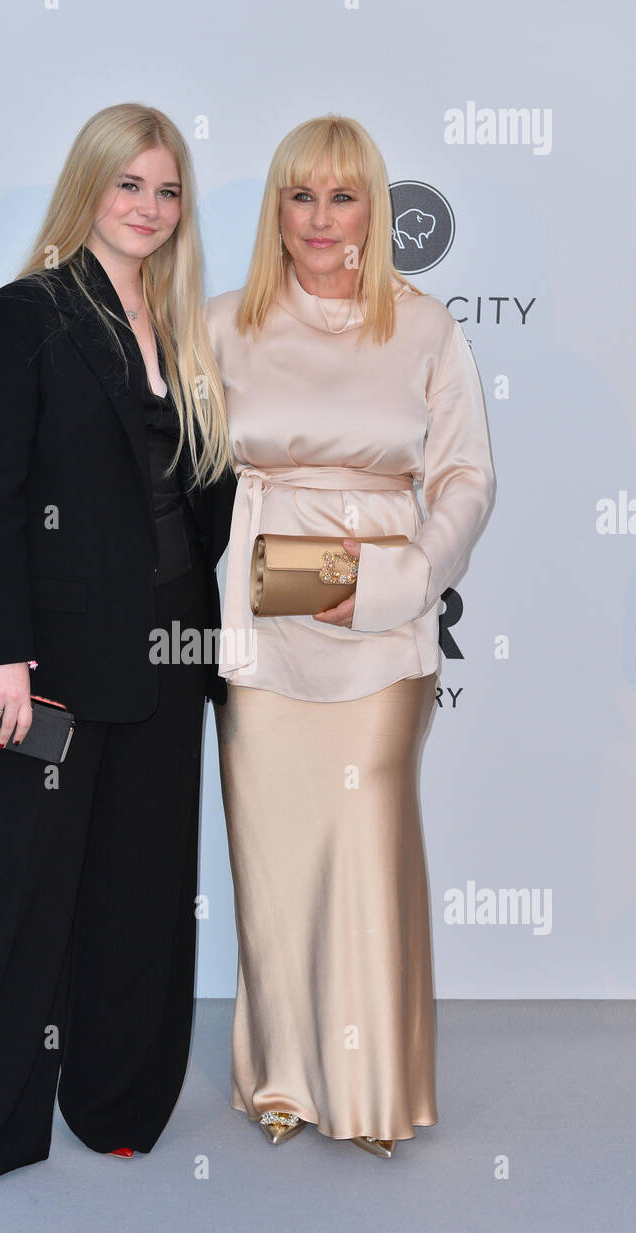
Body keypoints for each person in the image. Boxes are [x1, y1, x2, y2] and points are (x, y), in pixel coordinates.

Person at [0, 103, 235, 1197]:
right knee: (13, 885)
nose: (148, 207)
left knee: (142, 886)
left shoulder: (181, 331)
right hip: (49, 666)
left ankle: (117, 1101)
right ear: (88, 189)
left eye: (167, 190)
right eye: (129, 184)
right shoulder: (22, 316)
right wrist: (4, 657)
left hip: (171, 654)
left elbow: (197, 500)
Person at [205, 114, 495, 1156]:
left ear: (374, 207)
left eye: (343, 196)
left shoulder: (423, 326)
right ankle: (281, 1079)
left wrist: (403, 577)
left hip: (382, 627)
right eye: (300, 195)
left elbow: (466, 476)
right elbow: (180, 473)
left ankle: (372, 1091)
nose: (321, 219)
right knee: (272, 853)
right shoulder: (222, 322)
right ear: (276, 208)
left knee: (367, 846)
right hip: (261, 619)